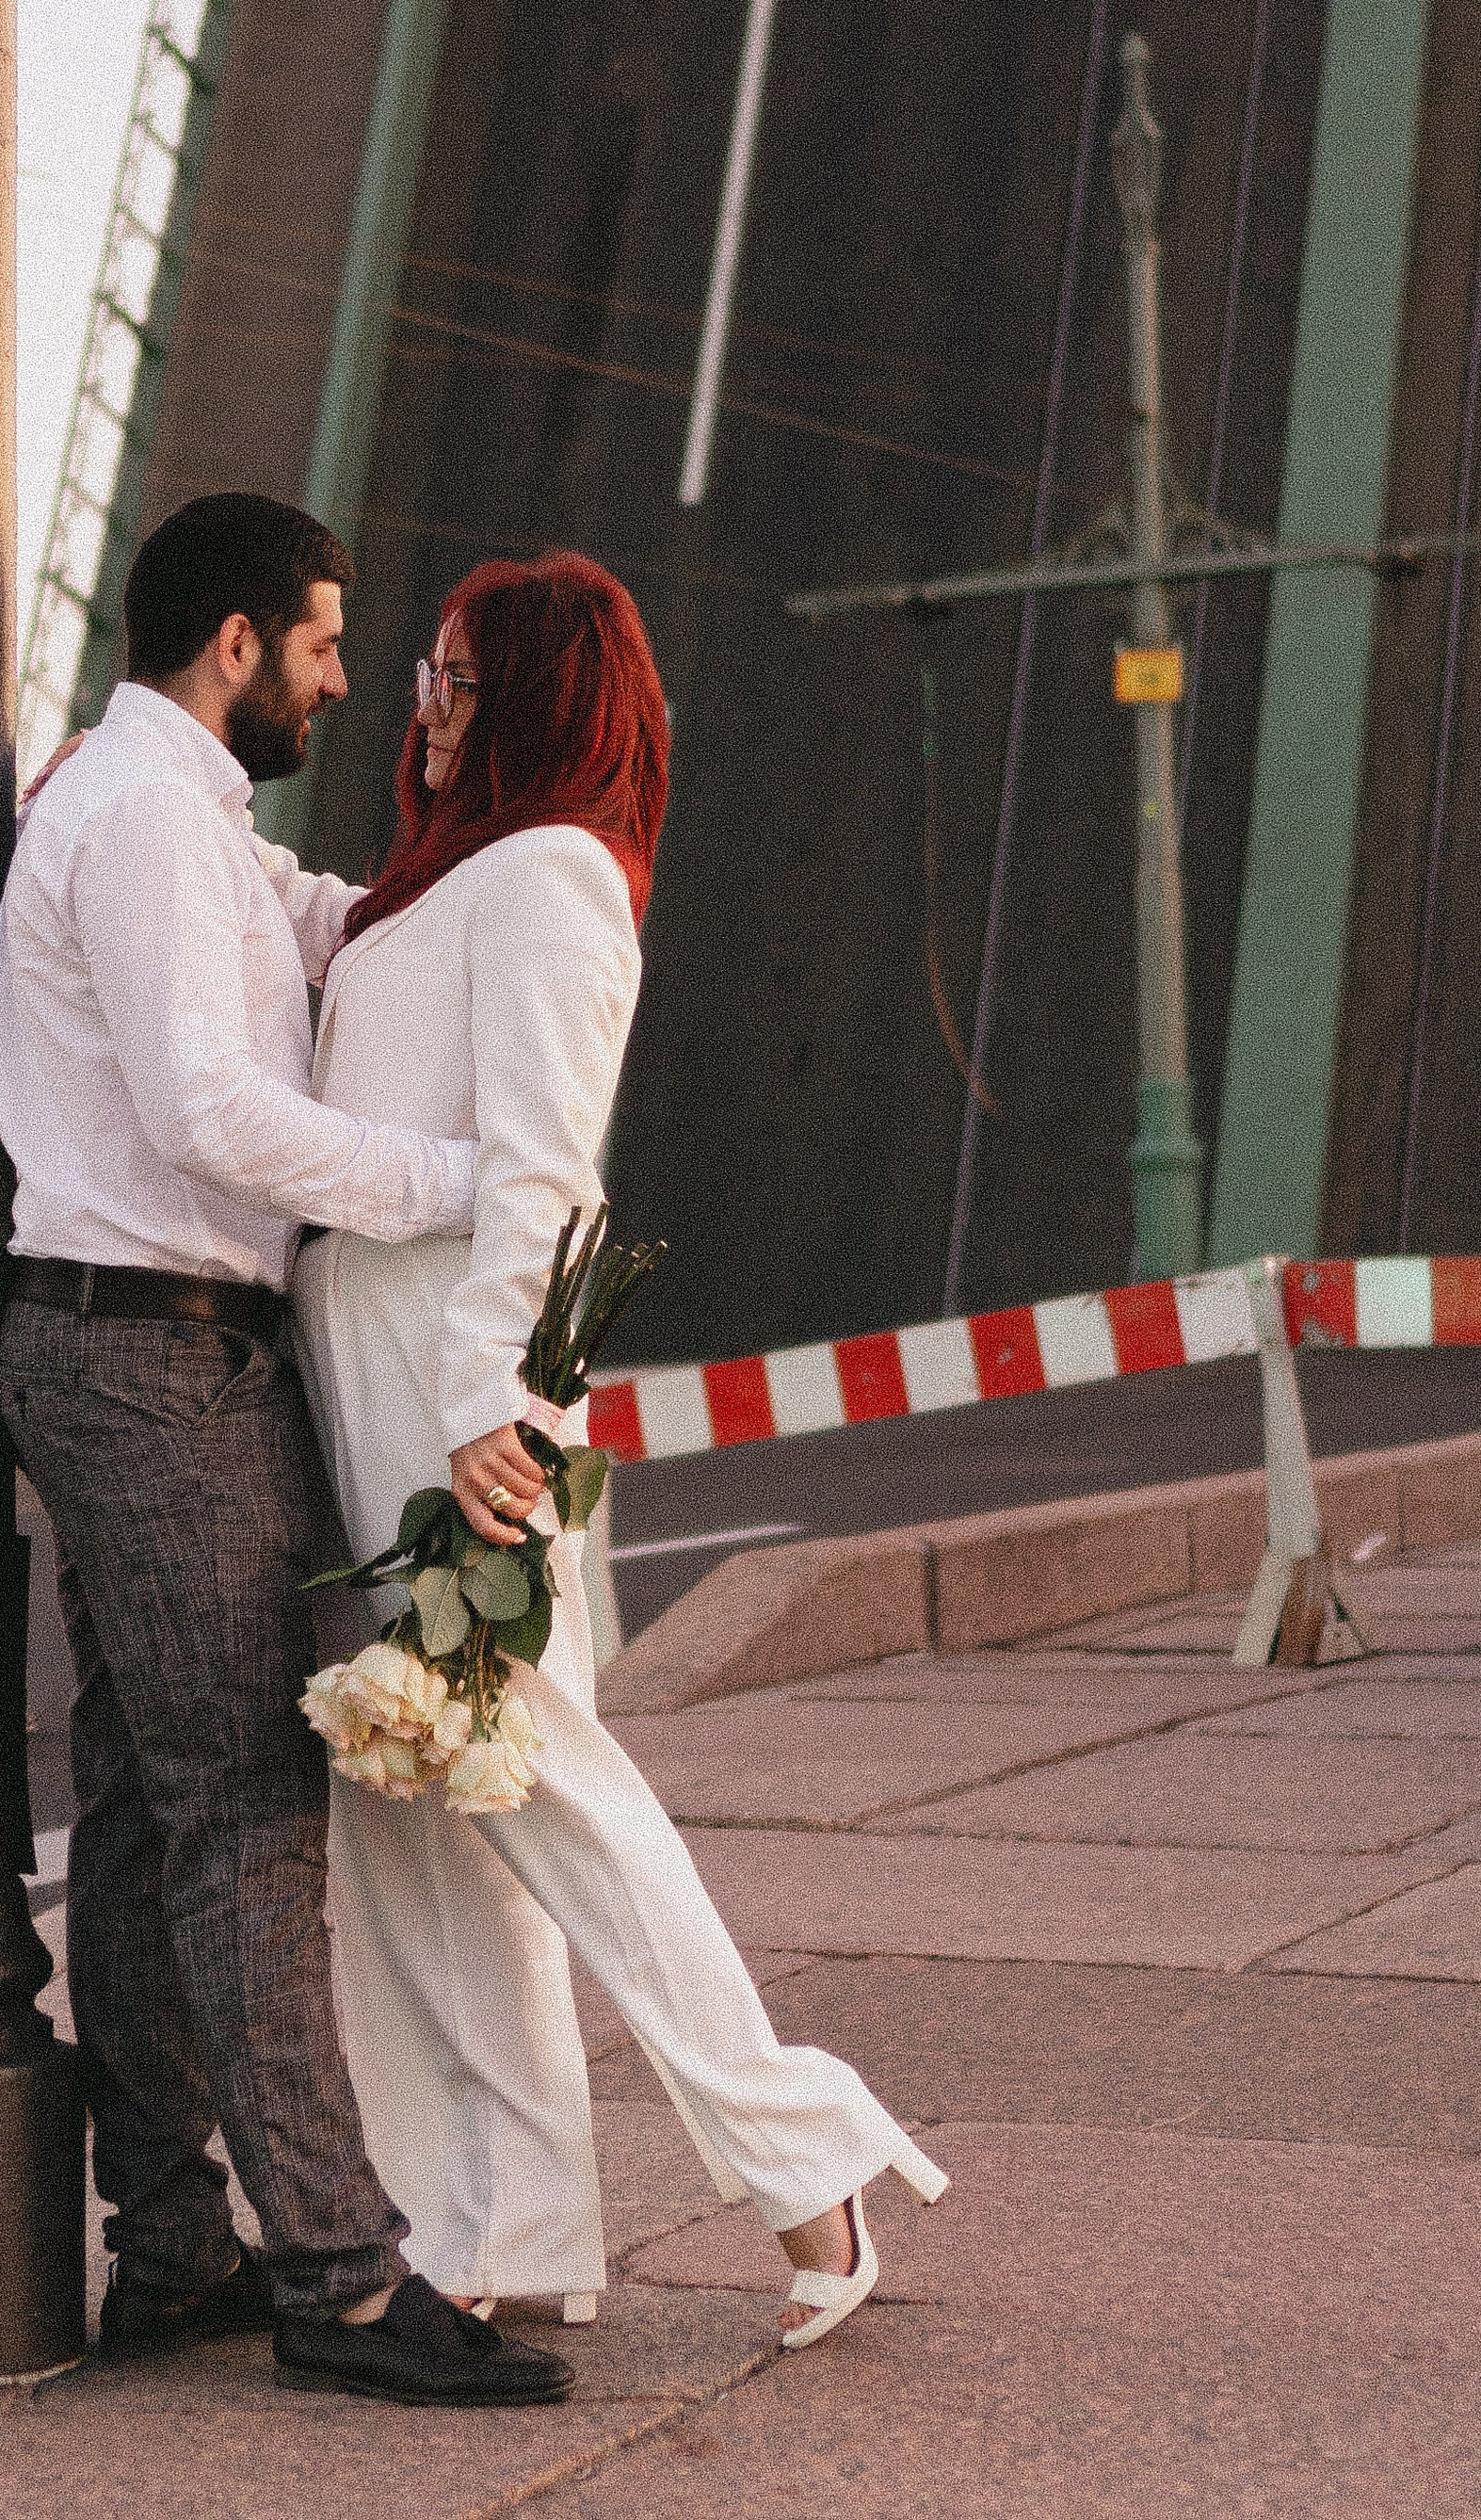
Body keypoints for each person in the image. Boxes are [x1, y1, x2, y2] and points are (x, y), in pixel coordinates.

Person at [291, 552, 946, 2353]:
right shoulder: (432, 887)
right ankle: (502, 2220)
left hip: (459, 1375)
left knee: (540, 1775)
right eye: (421, 670)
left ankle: (802, 2155)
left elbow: (546, 1166)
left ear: (540, 691)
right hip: (375, 1357)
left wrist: (491, 1395)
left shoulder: (557, 876)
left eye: (452, 673)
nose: (422, 702)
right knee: (424, 1804)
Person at [0, 492, 570, 2409]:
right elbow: (208, 1108)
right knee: (247, 1804)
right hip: (149, 1356)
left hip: (136, 1348)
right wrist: (461, 1182)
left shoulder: (188, 825)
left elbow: (332, 939)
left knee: (161, 1816)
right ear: (232, 644)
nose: (337, 674)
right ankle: (335, 2276)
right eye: (322, 644)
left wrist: (441, 849)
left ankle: (170, 2249)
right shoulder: (145, 819)